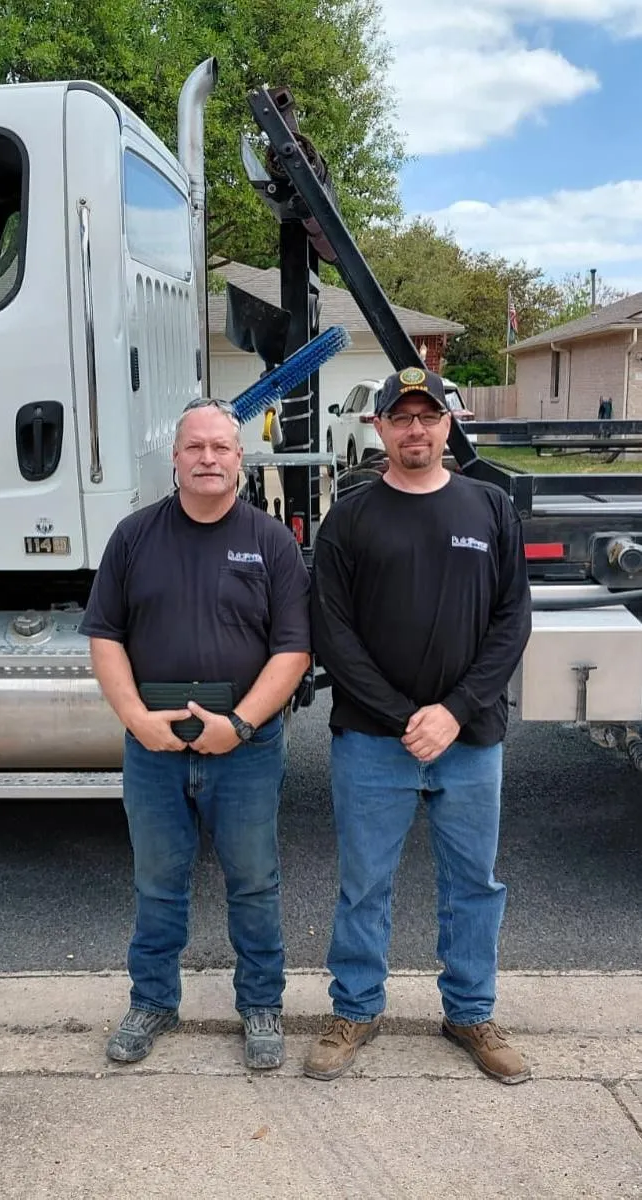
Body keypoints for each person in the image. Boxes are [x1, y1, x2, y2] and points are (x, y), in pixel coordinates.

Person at [304, 366, 532, 1085]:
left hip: (470, 739)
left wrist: (454, 711)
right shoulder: (350, 518)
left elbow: (511, 621)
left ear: (447, 424)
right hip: (373, 741)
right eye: (400, 418)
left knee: (474, 886)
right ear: (378, 428)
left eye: (427, 417)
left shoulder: (489, 507)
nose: (415, 430)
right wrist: (407, 717)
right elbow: (332, 634)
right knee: (363, 885)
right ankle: (354, 1010)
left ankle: (469, 1013)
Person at [80, 398, 310, 1069]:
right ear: (175, 457)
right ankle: (152, 1001)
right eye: (195, 447)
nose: (208, 458)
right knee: (158, 881)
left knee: (254, 881)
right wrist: (136, 720)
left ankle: (261, 1005)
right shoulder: (133, 537)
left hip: (245, 750)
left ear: (240, 459)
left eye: (221, 447)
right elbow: (105, 636)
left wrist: (238, 724)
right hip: (153, 748)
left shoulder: (271, 542)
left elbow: (293, 649)